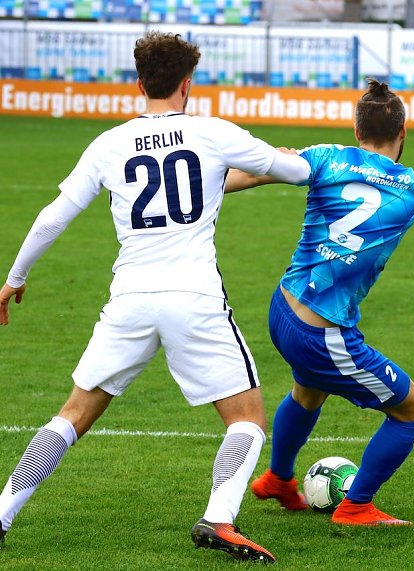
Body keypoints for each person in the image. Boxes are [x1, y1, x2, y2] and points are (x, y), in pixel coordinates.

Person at [0, 31, 310, 562]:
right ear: (188, 84)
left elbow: (53, 217)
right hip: (194, 298)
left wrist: (15, 279)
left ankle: (2, 512)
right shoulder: (213, 132)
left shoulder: (109, 144)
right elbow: (298, 171)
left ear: (140, 83)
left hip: (130, 300)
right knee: (248, 420)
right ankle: (218, 518)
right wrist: (274, 164)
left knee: (72, 415)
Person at [228, 79, 414, 525]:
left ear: (356, 131)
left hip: (283, 309)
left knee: (309, 390)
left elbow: (255, 172)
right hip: (321, 332)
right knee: (411, 409)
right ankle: (356, 506)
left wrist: (201, 193)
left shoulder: (324, 156)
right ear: (403, 133)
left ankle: (278, 479)